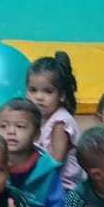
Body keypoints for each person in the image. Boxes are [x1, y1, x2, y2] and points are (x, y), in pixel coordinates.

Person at [28, 50, 83, 191]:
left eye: (48, 91)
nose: (39, 97)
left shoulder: (60, 122)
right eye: (33, 90)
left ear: (62, 95)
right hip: (46, 179)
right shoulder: (37, 117)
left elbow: (57, 160)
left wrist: (29, 175)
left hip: (63, 186)